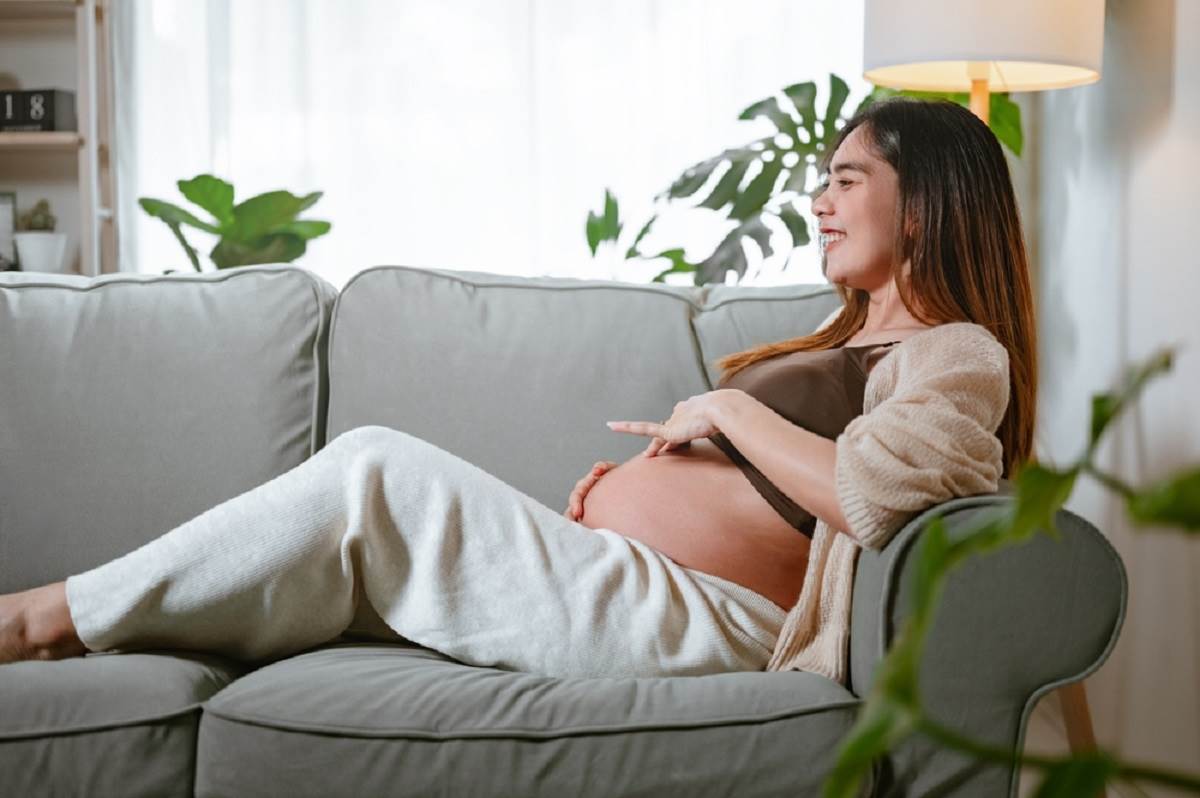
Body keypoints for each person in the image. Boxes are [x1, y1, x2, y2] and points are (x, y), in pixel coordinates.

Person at [0, 98, 1035, 685]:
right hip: (649, 586)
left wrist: (725, 414)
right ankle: (99, 624)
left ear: (926, 202)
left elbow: (878, 497)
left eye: (846, 178)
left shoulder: (957, 352)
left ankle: (41, 622)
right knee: (346, 542)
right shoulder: (859, 343)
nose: (819, 199)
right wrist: (636, 491)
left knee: (373, 473)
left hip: (719, 625)